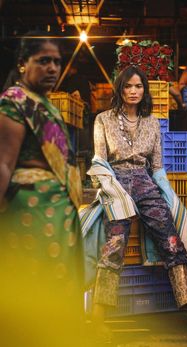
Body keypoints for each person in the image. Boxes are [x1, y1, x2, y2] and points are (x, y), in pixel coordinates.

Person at [88, 65, 187, 340]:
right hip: (116, 183)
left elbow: (157, 167)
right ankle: (97, 316)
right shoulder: (103, 119)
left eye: (138, 86)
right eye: (128, 86)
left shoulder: (152, 122)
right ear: (120, 89)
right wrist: (112, 191)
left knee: (172, 241)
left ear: (144, 90)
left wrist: (170, 197)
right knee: (115, 244)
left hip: (145, 183)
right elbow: (99, 161)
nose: (133, 91)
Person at [0, 31, 85, 347]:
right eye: (43, 61)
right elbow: (4, 164)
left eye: (57, 62)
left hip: (57, 218)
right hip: (29, 215)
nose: (52, 68)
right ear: (23, 63)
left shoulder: (46, 105)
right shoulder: (13, 103)